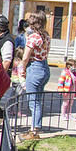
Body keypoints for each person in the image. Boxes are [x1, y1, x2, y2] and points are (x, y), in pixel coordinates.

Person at [19, 11, 51, 140]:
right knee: (38, 99)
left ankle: (34, 129)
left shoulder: (33, 37)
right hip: (44, 67)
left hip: (35, 67)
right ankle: (36, 126)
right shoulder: (46, 36)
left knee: (33, 101)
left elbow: (26, 56)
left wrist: (23, 69)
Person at [9, 47, 27, 117]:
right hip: (19, 82)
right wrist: (23, 83)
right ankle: (18, 112)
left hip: (13, 81)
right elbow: (20, 75)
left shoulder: (14, 63)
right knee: (19, 98)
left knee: (12, 96)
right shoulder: (20, 65)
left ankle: (11, 110)